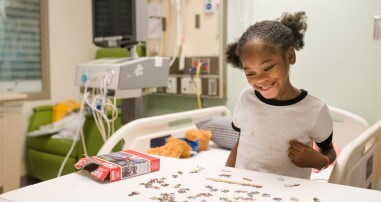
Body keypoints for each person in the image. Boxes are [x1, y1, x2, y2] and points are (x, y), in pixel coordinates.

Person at [225, 11, 336, 179]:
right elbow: (241, 141)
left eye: (267, 68)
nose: (260, 79)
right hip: (243, 188)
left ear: (290, 56)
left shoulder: (314, 110)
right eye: (250, 73)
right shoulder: (246, 98)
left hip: (289, 192)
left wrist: (320, 161)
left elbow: (329, 150)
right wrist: (226, 176)